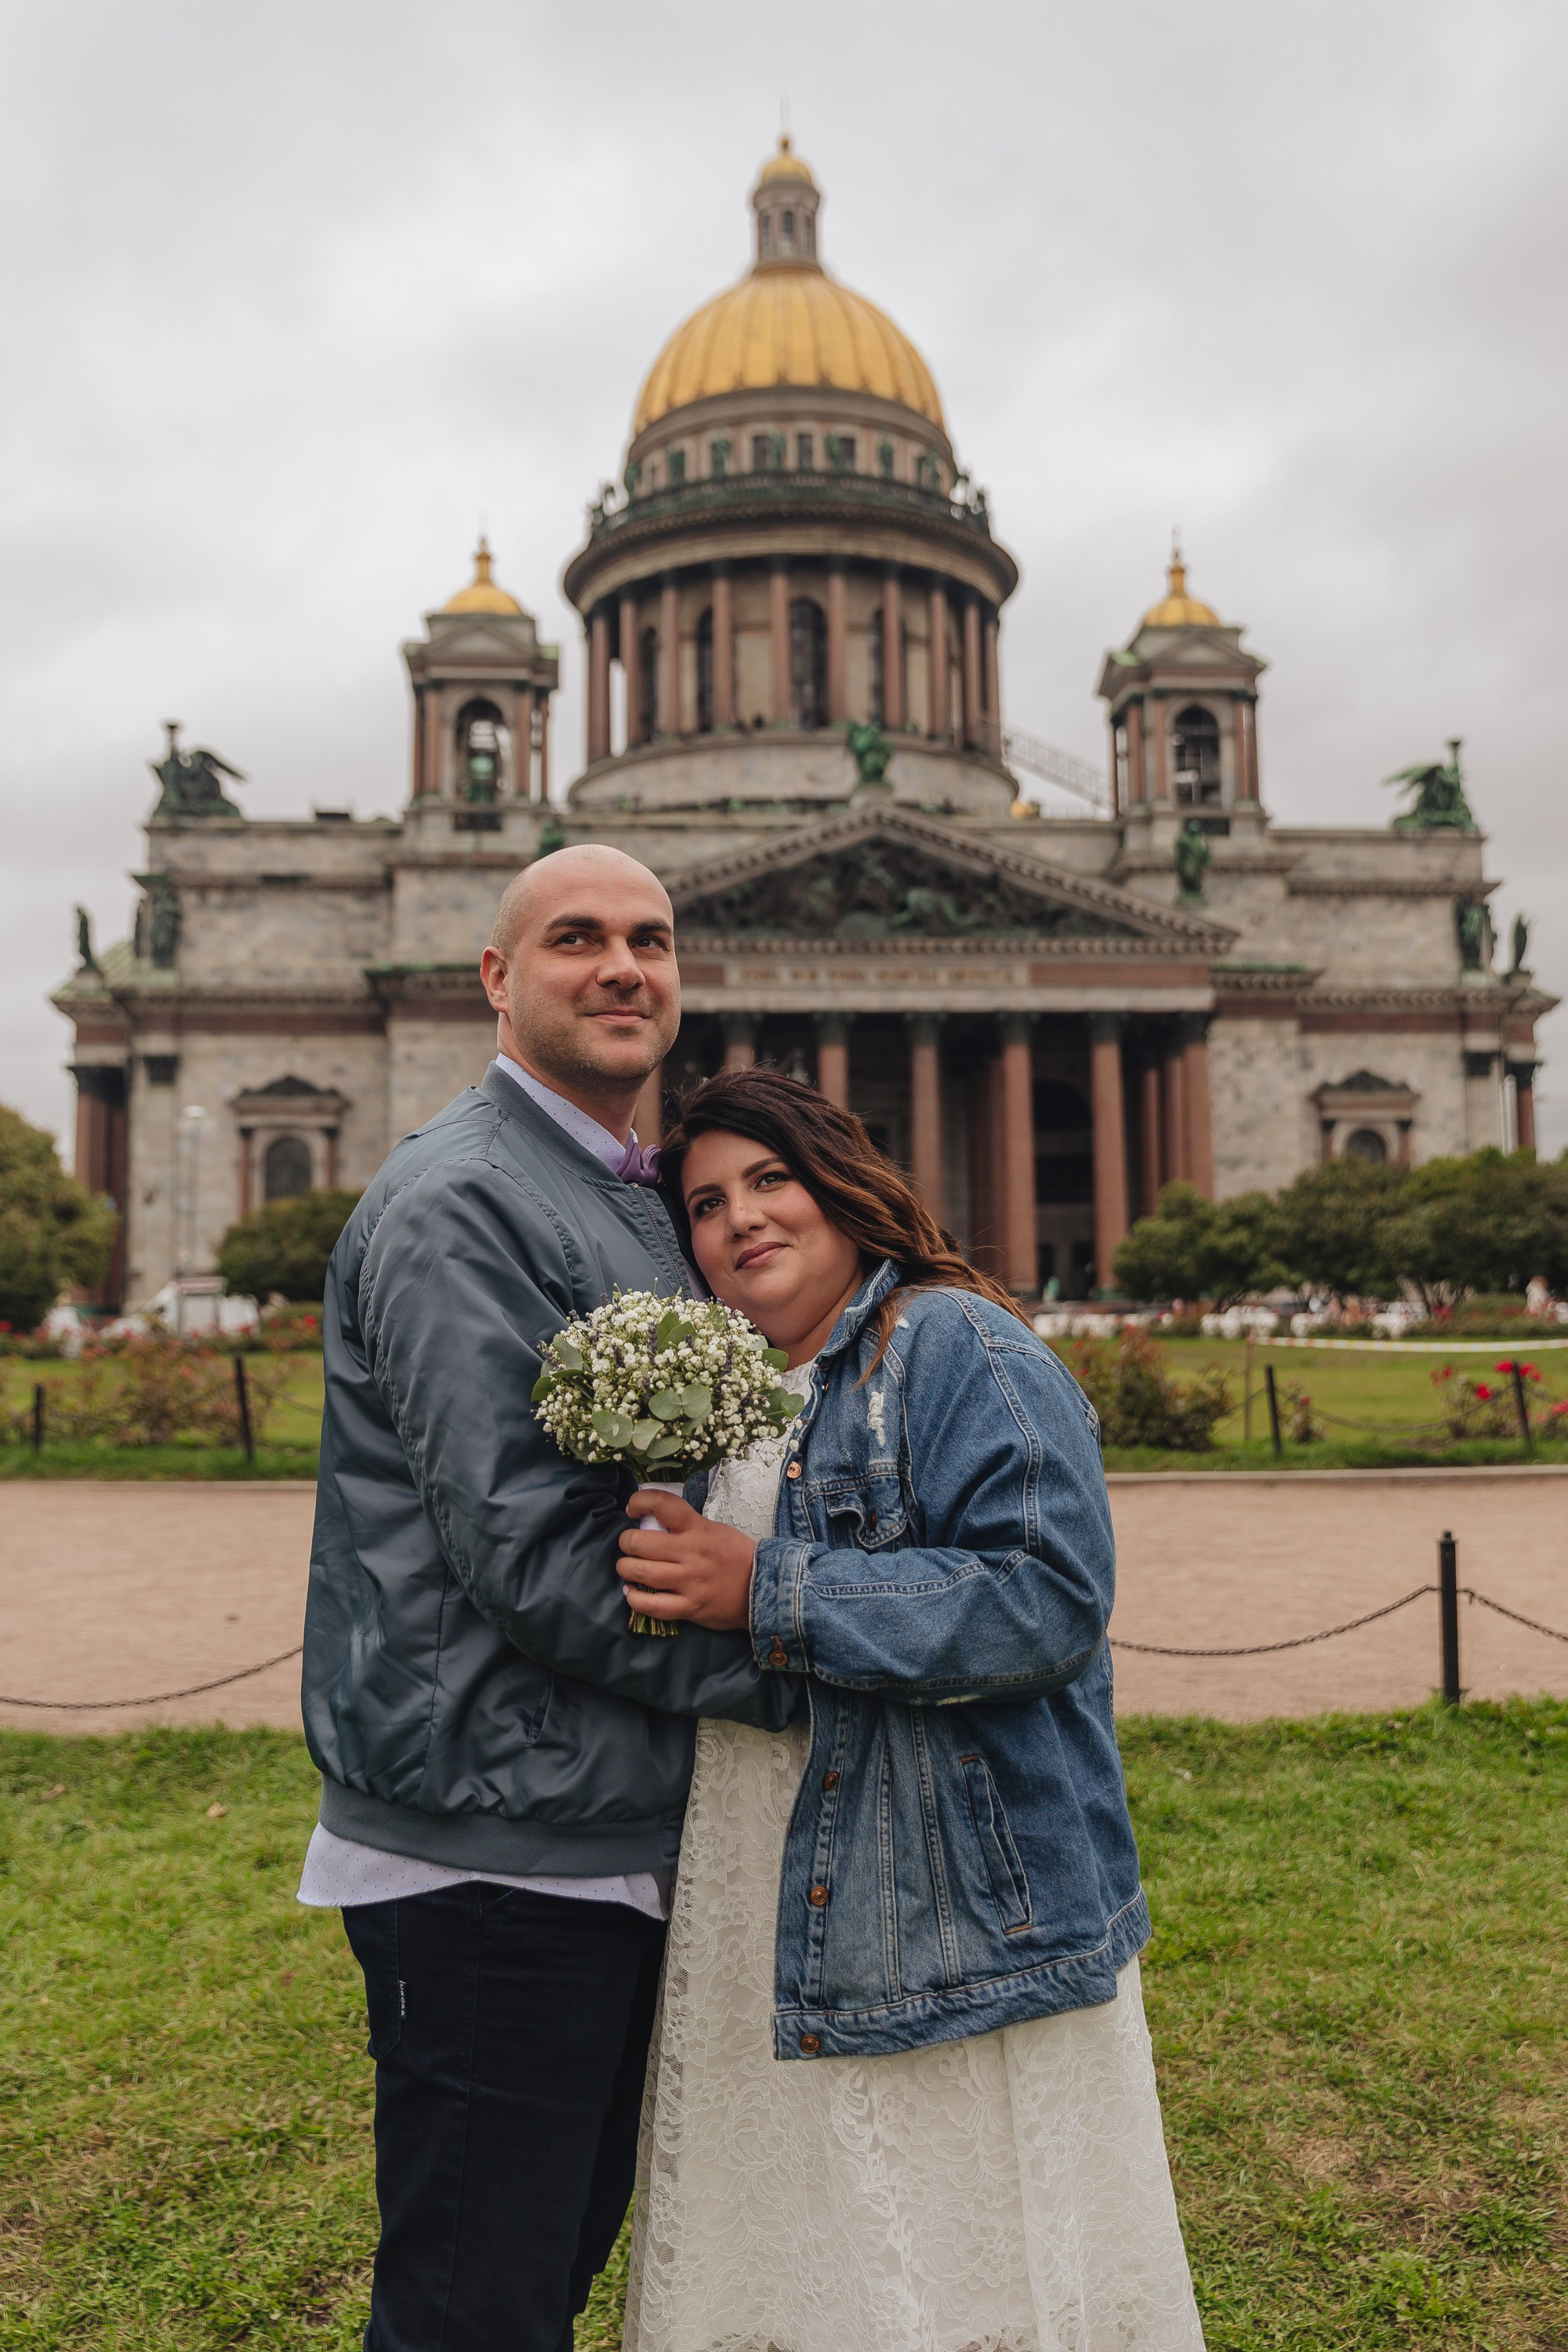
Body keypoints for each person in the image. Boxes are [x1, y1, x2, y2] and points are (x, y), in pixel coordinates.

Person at [617, 1065, 1204, 2352]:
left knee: (945, 2250)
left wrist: (760, 1585)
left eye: (771, 1179)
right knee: (809, 2243)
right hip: (770, 1873)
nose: (741, 1220)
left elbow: (1048, 1598)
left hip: (936, 1885)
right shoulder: (745, 1387)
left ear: (845, 1183)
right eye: (708, 1202)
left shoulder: (951, 1342)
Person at [296, 848, 797, 2352]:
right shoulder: (468, 1199)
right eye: (576, 939)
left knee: (531, 2273)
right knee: (476, 2304)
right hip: (502, 1850)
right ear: (498, 981)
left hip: (582, 1824)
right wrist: (819, 1664)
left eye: (651, 938)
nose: (625, 967)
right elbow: (535, 1557)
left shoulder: (614, 1184)